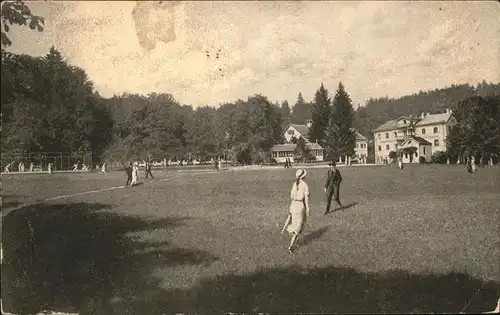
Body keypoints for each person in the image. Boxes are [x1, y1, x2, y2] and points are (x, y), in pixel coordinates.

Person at [281, 168, 310, 253]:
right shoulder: (305, 185)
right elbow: (306, 199)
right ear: (304, 176)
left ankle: (295, 239)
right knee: (300, 225)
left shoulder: (294, 184)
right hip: (300, 206)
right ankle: (291, 246)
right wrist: (308, 209)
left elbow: (291, 195)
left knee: (296, 224)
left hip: (293, 204)